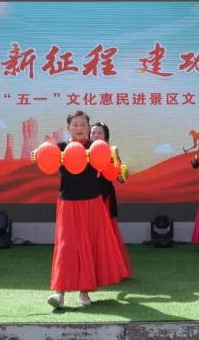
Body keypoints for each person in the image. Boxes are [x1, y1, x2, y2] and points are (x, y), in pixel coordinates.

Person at [47, 111, 129, 309]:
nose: (79, 128)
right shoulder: (60, 148)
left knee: (89, 246)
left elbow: (111, 174)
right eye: (75, 124)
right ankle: (60, 293)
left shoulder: (96, 147)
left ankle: (85, 292)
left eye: (83, 124)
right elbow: (46, 162)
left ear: (88, 128)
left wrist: (114, 161)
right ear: (68, 128)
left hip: (92, 202)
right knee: (66, 247)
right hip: (67, 202)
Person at [90, 122, 132, 276]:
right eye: (93, 133)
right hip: (85, 197)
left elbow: (120, 178)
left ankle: (107, 268)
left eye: (99, 133)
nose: (95, 136)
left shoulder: (111, 152)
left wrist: (123, 172)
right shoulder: (82, 151)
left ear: (105, 136)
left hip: (104, 197)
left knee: (105, 233)